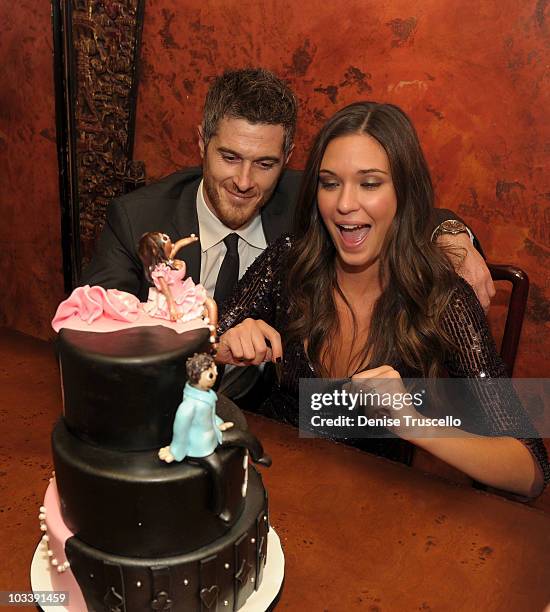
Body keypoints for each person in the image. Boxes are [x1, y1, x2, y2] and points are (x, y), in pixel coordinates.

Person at [80, 68, 493, 398]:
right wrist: (202, 347)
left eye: (264, 164)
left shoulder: (315, 196)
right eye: (229, 157)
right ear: (201, 143)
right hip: (162, 406)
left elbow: (397, 204)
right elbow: (94, 334)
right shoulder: (138, 218)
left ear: (287, 159)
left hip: (276, 425)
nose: (244, 181)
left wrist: (451, 232)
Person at [216, 101, 549, 499]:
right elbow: (194, 352)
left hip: (373, 508)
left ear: (404, 191)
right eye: (330, 182)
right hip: (274, 483)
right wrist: (226, 345)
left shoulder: (441, 300)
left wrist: (411, 422)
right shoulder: (289, 262)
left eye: (369, 183)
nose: (344, 204)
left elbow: (530, 470)